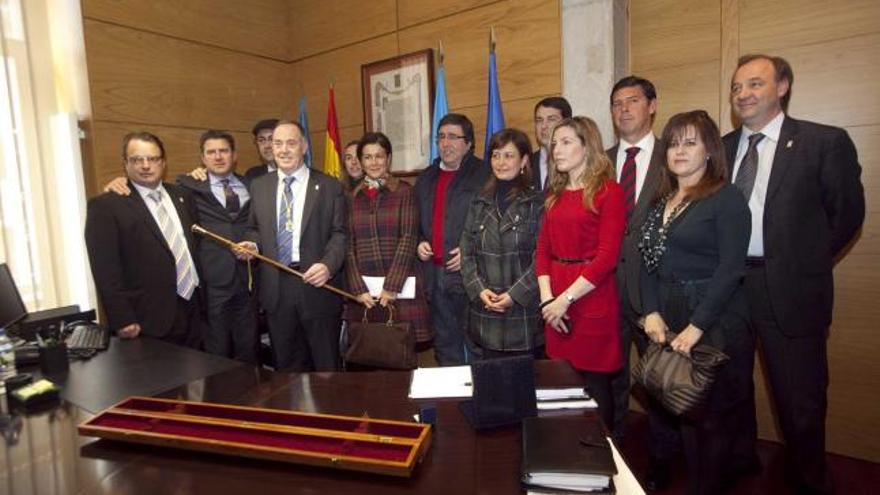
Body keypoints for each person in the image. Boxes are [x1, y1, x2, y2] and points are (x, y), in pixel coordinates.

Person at [723, 54, 865, 494]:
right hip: (728, 288)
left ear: (782, 86)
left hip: (789, 289)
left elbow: (847, 216)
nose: (743, 94)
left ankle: (809, 480)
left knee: (799, 399)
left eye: (755, 84)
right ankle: (742, 462)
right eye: (737, 87)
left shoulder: (824, 142)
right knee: (731, 388)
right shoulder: (720, 148)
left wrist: (802, 262)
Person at [639, 110, 751, 495]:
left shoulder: (726, 197)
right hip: (667, 313)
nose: (679, 151)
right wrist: (650, 311)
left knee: (714, 418)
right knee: (681, 405)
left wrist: (697, 326)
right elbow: (646, 263)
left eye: (690, 142)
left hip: (713, 318)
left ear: (709, 151)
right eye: (673, 143)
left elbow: (732, 268)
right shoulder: (662, 200)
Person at [606, 75, 679, 488]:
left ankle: (662, 465)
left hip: (657, 294)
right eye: (617, 103)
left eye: (632, 101)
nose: (624, 109)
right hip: (608, 292)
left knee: (660, 385)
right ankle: (611, 452)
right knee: (611, 378)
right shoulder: (601, 159)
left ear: (652, 105)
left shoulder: (675, 157)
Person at [536, 116, 625, 429]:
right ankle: (570, 454)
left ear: (587, 147)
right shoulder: (554, 196)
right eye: (554, 143)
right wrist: (549, 302)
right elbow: (542, 253)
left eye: (565, 142)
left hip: (591, 298)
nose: (555, 149)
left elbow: (607, 258)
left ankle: (604, 456)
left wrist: (565, 300)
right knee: (562, 383)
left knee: (596, 384)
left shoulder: (608, 192)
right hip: (555, 301)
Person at [237, 121, 347, 372]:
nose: (283, 150)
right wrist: (252, 244)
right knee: (286, 368)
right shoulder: (260, 186)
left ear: (304, 146)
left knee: (326, 366)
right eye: (277, 143)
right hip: (277, 289)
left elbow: (340, 234)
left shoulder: (329, 186)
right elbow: (253, 227)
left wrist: (328, 266)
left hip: (317, 286)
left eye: (291, 143)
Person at [85, 132, 205, 348]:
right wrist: (122, 318)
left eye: (153, 159)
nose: (146, 165)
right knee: (164, 381)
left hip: (194, 308)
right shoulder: (106, 206)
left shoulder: (183, 196)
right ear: (125, 163)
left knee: (199, 378)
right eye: (137, 159)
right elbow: (105, 270)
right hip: (147, 319)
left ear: (163, 162)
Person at [460, 128, 545, 360]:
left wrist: (515, 295)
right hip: (484, 315)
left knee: (523, 393)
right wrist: (479, 290)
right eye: (496, 155)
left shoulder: (538, 203)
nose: (501, 162)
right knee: (488, 391)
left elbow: (543, 259)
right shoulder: (479, 201)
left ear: (524, 160)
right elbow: (466, 254)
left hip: (523, 316)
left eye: (508, 155)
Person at [344, 132, 430, 350]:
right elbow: (348, 246)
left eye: (379, 156)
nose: (374, 162)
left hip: (401, 290)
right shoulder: (352, 197)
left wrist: (391, 287)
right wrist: (357, 289)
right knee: (371, 358)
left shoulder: (404, 192)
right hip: (366, 295)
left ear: (389, 158)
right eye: (368, 157)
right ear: (361, 161)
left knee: (404, 357)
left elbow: (408, 238)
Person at [414, 113, 489, 365]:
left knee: (478, 346)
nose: (446, 143)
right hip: (434, 277)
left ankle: (482, 402)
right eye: (441, 137)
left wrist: (472, 251)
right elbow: (415, 221)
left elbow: (494, 224)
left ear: (468, 143)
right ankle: (453, 404)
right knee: (445, 347)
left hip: (471, 276)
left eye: (453, 137)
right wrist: (419, 241)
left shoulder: (485, 174)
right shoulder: (426, 178)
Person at [177, 130, 258, 363]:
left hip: (249, 280)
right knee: (217, 349)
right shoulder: (189, 187)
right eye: (211, 152)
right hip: (213, 281)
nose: (218, 156)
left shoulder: (252, 185)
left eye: (223, 151)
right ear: (202, 158)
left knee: (249, 346)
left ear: (234, 155)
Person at [532, 97, 572, 192]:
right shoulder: (526, 163)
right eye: (539, 120)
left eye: (551, 119)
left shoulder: (575, 162)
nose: (544, 126)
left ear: (567, 123)